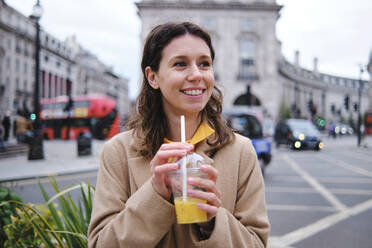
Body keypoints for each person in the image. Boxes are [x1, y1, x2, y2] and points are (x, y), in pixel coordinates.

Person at [88, 22, 270, 248]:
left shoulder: (241, 151)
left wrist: (212, 222)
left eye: (204, 64)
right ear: (153, 77)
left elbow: (257, 243)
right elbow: (100, 244)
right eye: (180, 64)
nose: (196, 75)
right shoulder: (118, 151)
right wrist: (154, 196)